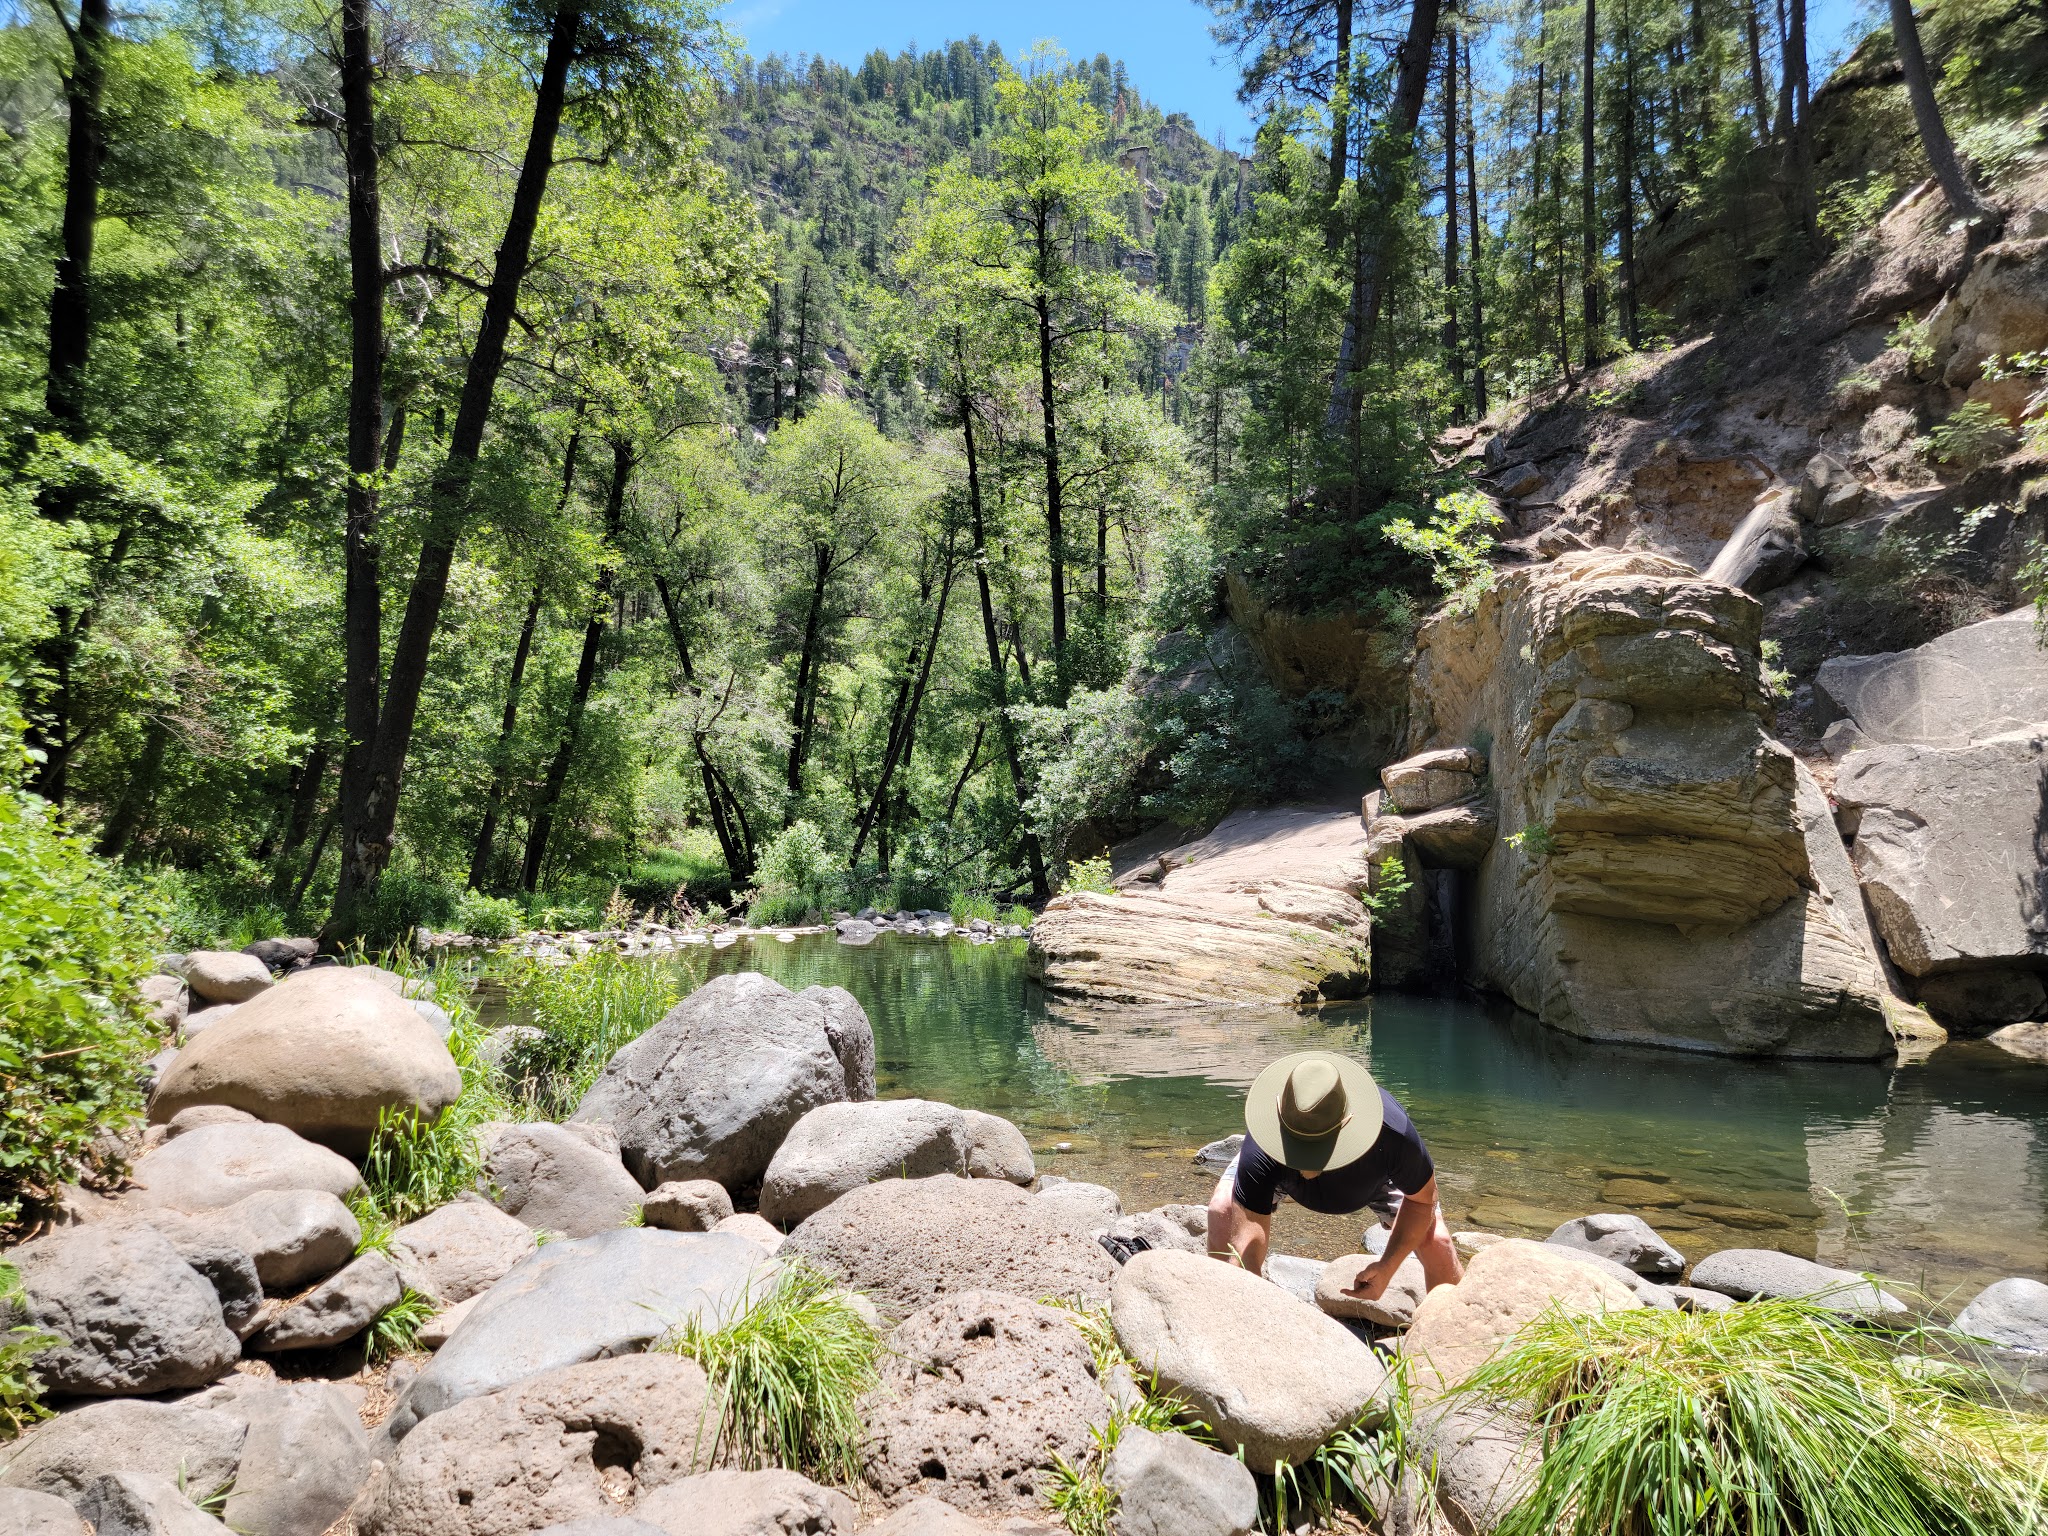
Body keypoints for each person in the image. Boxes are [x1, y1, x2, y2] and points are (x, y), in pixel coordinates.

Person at [1205, 1050, 1462, 1301]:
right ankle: (1221, 1309)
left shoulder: (1393, 1134)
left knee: (1436, 1240)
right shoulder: (1264, 1143)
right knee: (1222, 1209)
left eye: (1315, 1151)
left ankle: (1452, 1332)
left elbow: (1422, 1200)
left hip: (1374, 1178)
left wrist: (1387, 1266)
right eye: (1300, 1149)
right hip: (1278, 1164)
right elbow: (1246, 1244)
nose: (1306, 1167)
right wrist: (1249, 1296)